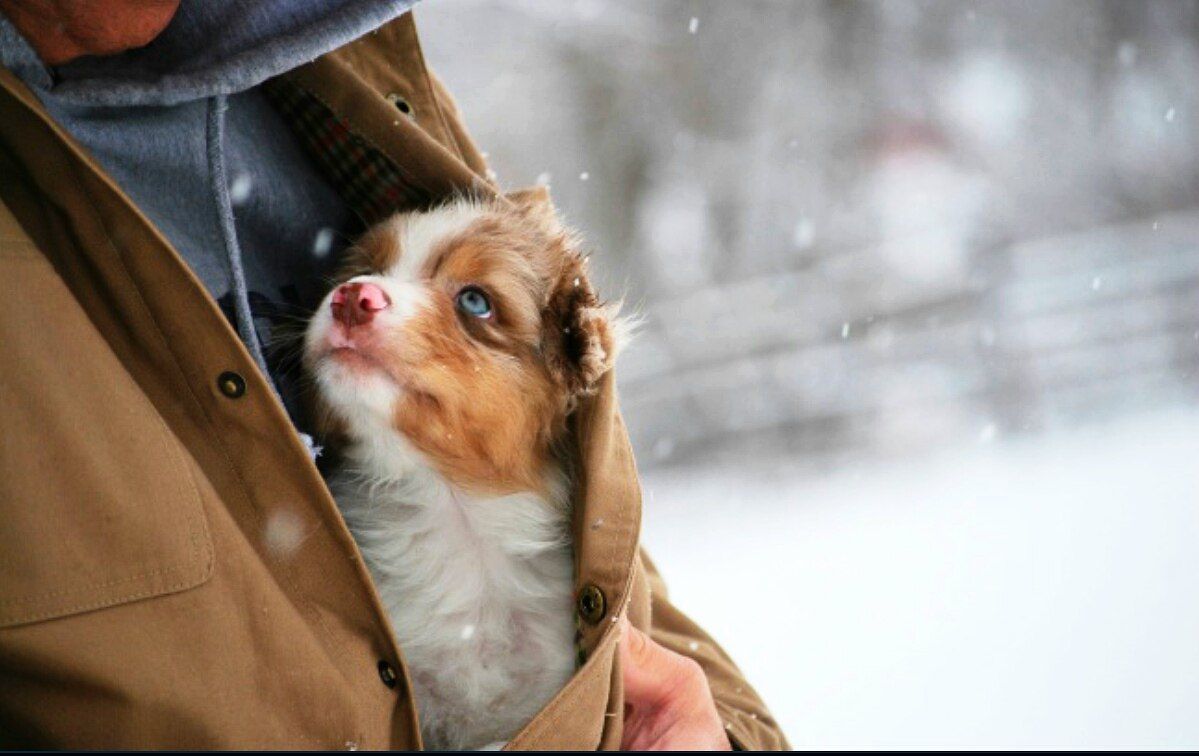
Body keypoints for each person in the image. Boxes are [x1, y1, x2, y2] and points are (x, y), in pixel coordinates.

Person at [0, 1, 788, 749]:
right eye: (368, 271)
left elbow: (617, 576)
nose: (358, 296)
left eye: (470, 299)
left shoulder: (345, 64)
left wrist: (724, 729)